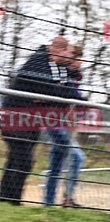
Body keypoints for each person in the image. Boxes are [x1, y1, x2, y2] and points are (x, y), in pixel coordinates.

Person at [0, 36, 74, 205]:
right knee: (24, 160)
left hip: (31, 121)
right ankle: (11, 199)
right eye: (68, 53)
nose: (70, 57)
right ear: (58, 50)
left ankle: (7, 198)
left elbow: (62, 94)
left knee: (16, 159)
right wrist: (53, 94)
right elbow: (45, 89)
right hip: (15, 119)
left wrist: (52, 95)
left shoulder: (53, 66)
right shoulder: (38, 61)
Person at [62, 44, 87, 207]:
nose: (81, 62)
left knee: (73, 159)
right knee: (76, 158)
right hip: (56, 123)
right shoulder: (64, 74)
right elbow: (72, 97)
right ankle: (65, 198)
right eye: (79, 59)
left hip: (67, 123)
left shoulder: (75, 77)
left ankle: (67, 198)